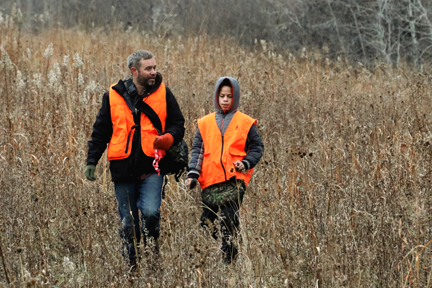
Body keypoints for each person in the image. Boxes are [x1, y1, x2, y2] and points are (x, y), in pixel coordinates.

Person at [84, 50, 185, 269]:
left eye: (154, 67)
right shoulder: (112, 94)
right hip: (122, 168)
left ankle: (152, 253)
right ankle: (132, 265)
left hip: (153, 166)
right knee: (128, 221)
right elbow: (101, 131)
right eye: (148, 68)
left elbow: (178, 124)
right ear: (134, 70)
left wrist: (168, 138)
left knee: (149, 212)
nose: (153, 72)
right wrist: (91, 161)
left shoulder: (164, 93)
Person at [186, 77, 264, 264]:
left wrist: (245, 163)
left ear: (235, 98)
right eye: (222, 96)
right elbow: (198, 150)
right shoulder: (204, 123)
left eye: (230, 96)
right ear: (216, 97)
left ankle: (230, 258)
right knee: (206, 222)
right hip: (210, 180)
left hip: (234, 179)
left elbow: (257, 147)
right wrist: (192, 175)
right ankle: (212, 255)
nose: (226, 100)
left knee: (229, 218)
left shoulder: (245, 122)